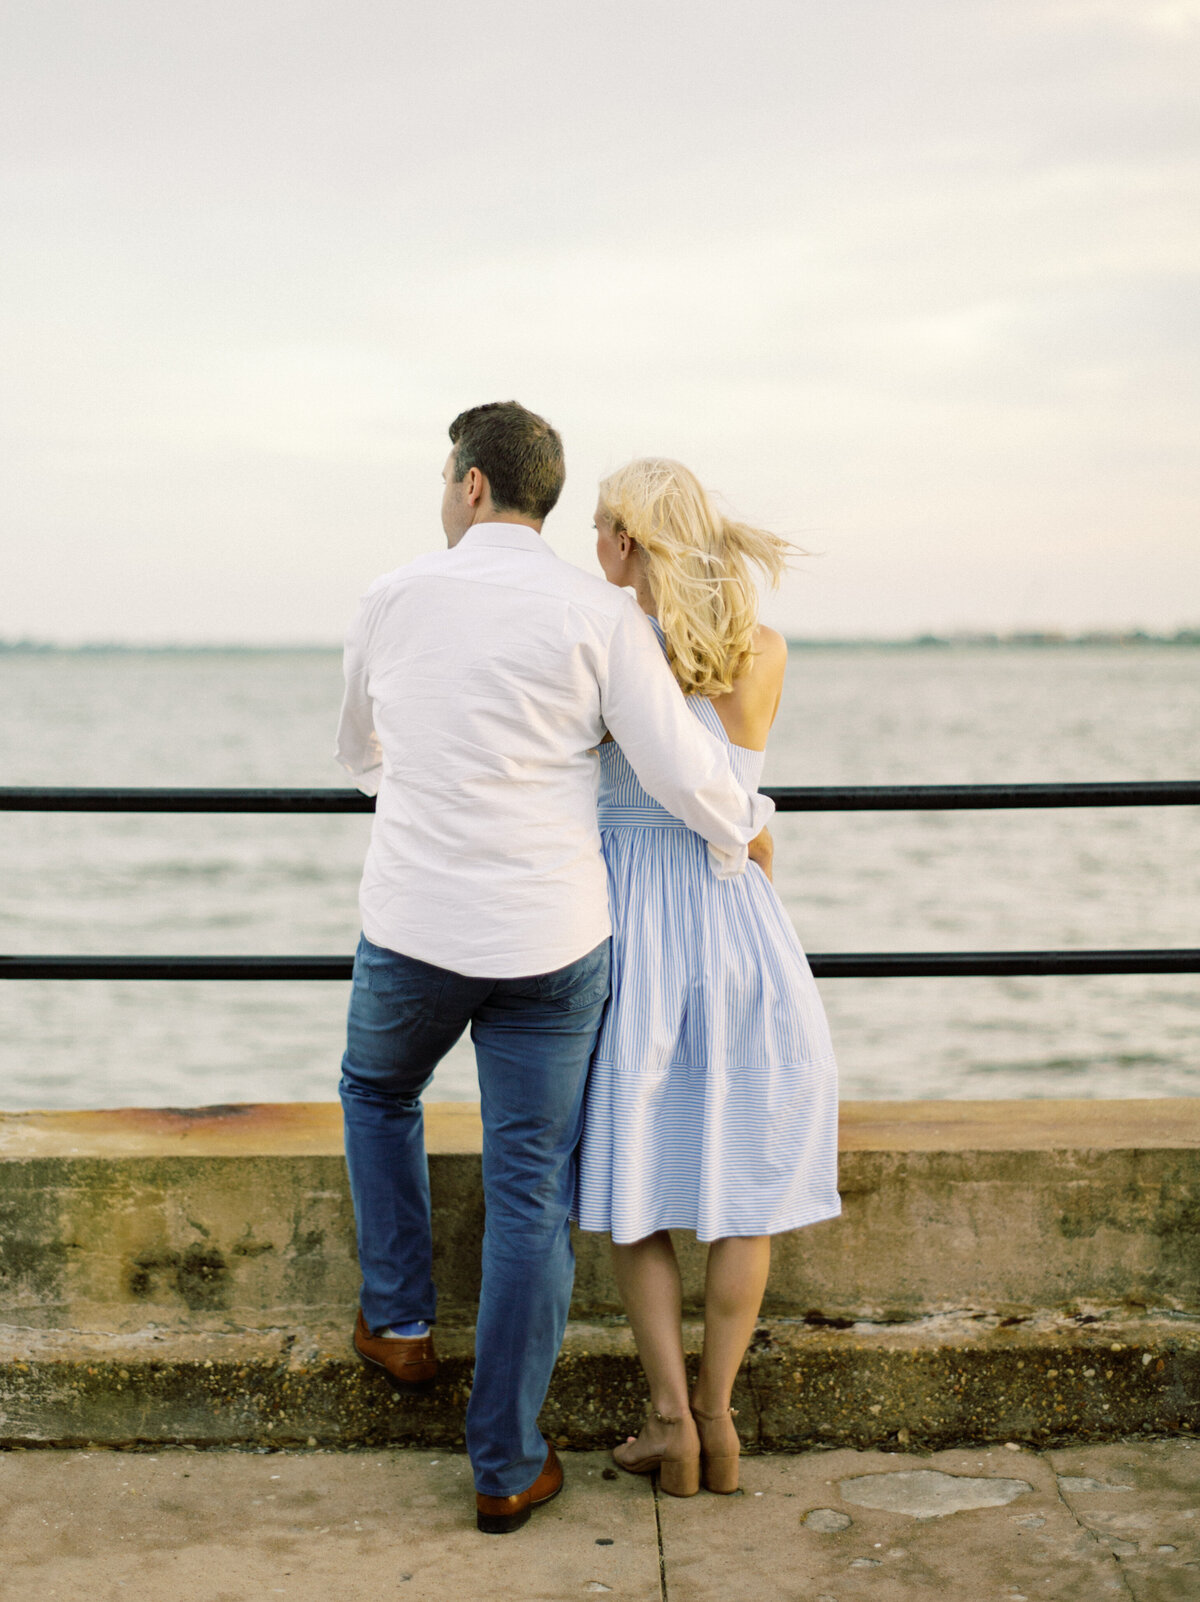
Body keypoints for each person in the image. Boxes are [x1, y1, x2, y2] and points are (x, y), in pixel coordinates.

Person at [334, 404, 773, 1533]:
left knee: (379, 1090)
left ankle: (398, 1323)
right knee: (529, 1184)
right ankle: (505, 1465)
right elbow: (683, 766)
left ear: (474, 485)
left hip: (417, 927)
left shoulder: (393, 596)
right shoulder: (597, 614)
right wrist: (749, 824)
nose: (444, 492)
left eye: (445, 475)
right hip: (552, 944)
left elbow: (358, 752)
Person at [574, 457, 841, 1497]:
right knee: (743, 1197)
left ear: (627, 541)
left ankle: (669, 1423)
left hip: (637, 928)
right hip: (740, 923)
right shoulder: (762, 646)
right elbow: (735, 790)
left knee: (636, 1193)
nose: (591, 552)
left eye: (601, 531)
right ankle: (722, 1424)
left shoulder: (607, 647)